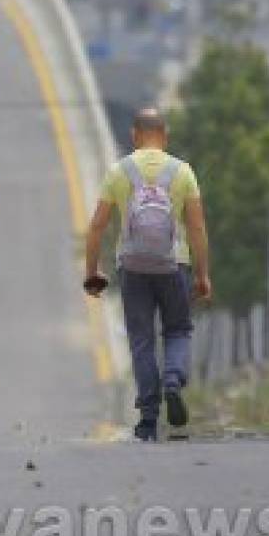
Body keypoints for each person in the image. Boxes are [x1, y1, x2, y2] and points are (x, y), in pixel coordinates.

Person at [83, 107, 212, 442]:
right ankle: (173, 380)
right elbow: (197, 228)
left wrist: (92, 272)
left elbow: (97, 227)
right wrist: (202, 274)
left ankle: (148, 419)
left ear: (134, 135)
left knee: (141, 340)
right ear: (165, 136)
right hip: (174, 265)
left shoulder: (119, 171)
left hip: (132, 267)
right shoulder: (183, 172)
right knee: (178, 329)